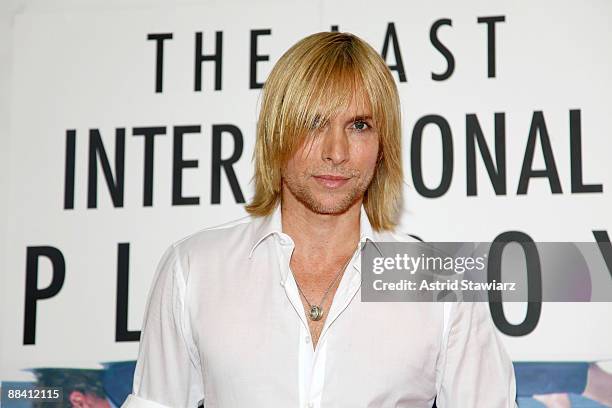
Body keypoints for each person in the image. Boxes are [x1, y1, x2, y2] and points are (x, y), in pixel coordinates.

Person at [122, 31, 517, 408]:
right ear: (277, 132)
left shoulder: (441, 286)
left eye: (359, 126)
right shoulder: (193, 269)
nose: (337, 151)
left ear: (383, 145)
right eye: (314, 122)